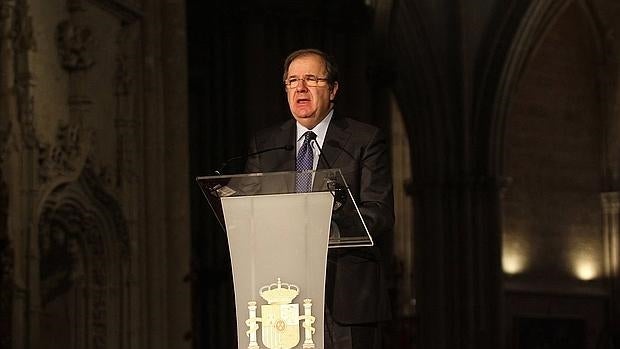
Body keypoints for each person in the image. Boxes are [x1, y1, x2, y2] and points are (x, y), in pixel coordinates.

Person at [245, 48, 394, 349]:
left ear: (333, 89)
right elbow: (249, 213)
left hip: (346, 300)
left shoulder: (363, 140)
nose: (300, 88)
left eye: (311, 79)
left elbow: (379, 214)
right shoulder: (266, 144)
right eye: (292, 81)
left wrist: (323, 228)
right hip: (281, 297)